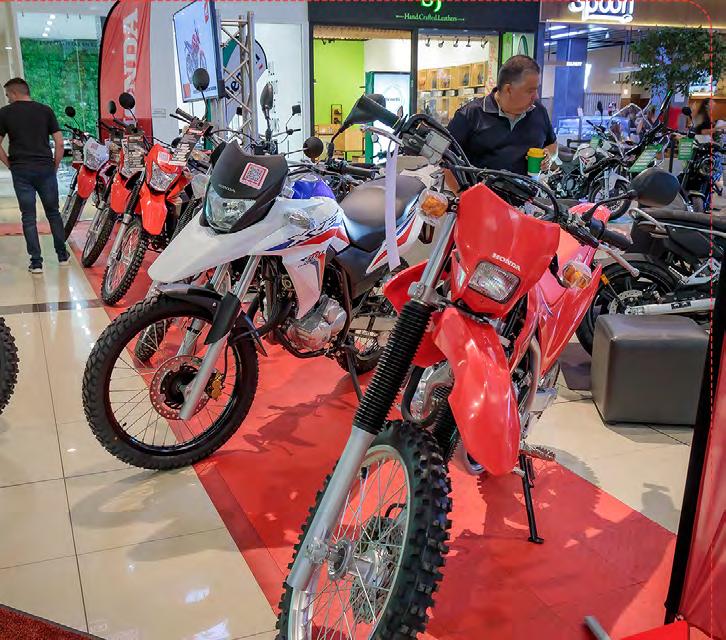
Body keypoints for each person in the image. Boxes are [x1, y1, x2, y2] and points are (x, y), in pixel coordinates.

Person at [0, 77, 70, 274]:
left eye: (8, 95)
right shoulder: (45, 110)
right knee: (53, 213)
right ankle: (62, 256)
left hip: (21, 170)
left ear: (14, 93)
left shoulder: (4, 113)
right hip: (45, 168)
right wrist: (54, 165)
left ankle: (36, 263)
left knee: (28, 217)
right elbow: (59, 142)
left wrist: (10, 164)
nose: (8, 99)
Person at [447, 55, 557, 176]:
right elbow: (446, 162)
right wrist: (464, 188)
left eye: (537, 89)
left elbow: (552, 144)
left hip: (529, 187)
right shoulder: (469, 115)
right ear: (509, 89)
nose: (536, 96)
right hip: (481, 188)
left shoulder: (539, 112)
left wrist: (549, 156)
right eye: (530, 91)